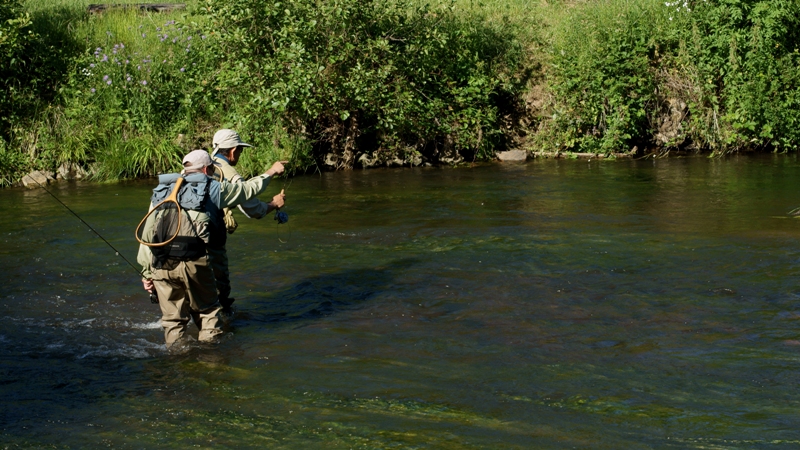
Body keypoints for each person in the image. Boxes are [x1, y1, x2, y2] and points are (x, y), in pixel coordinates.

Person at [137, 150, 286, 349]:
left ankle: (177, 364)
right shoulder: (213, 187)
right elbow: (247, 189)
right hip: (194, 261)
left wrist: (147, 273)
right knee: (207, 312)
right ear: (207, 169)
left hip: (161, 262)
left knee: (172, 321)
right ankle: (210, 363)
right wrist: (271, 172)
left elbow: (148, 234)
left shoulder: (162, 190)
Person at [208, 129, 285, 312]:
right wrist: (274, 204)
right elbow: (253, 210)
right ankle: (220, 333)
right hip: (210, 239)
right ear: (233, 151)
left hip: (179, 240)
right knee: (219, 294)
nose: (240, 155)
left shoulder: (197, 167)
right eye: (240, 151)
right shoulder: (230, 174)